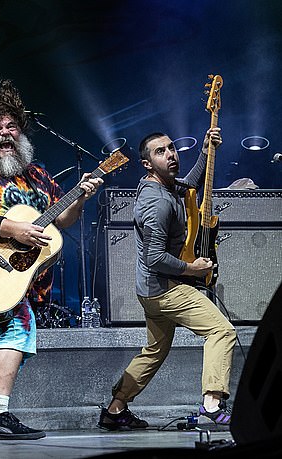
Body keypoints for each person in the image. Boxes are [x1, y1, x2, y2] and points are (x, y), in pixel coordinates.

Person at [0, 79, 103, 440]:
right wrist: (14, 229)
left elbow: (63, 221)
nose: (4, 133)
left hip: (23, 278)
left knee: (4, 344)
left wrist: (80, 196)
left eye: (11, 125)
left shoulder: (40, 175)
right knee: (17, 332)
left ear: (22, 132)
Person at [98, 128, 236, 431]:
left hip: (151, 289)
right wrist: (194, 269)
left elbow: (190, 184)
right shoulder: (156, 202)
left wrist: (204, 151)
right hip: (165, 290)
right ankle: (211, 406)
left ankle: (114, 410)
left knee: (155, 350)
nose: (170, 155)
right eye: (160, 152)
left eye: (171, 148)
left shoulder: (166, 184)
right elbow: (155, 257)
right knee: (222, 332)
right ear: (147, 163)